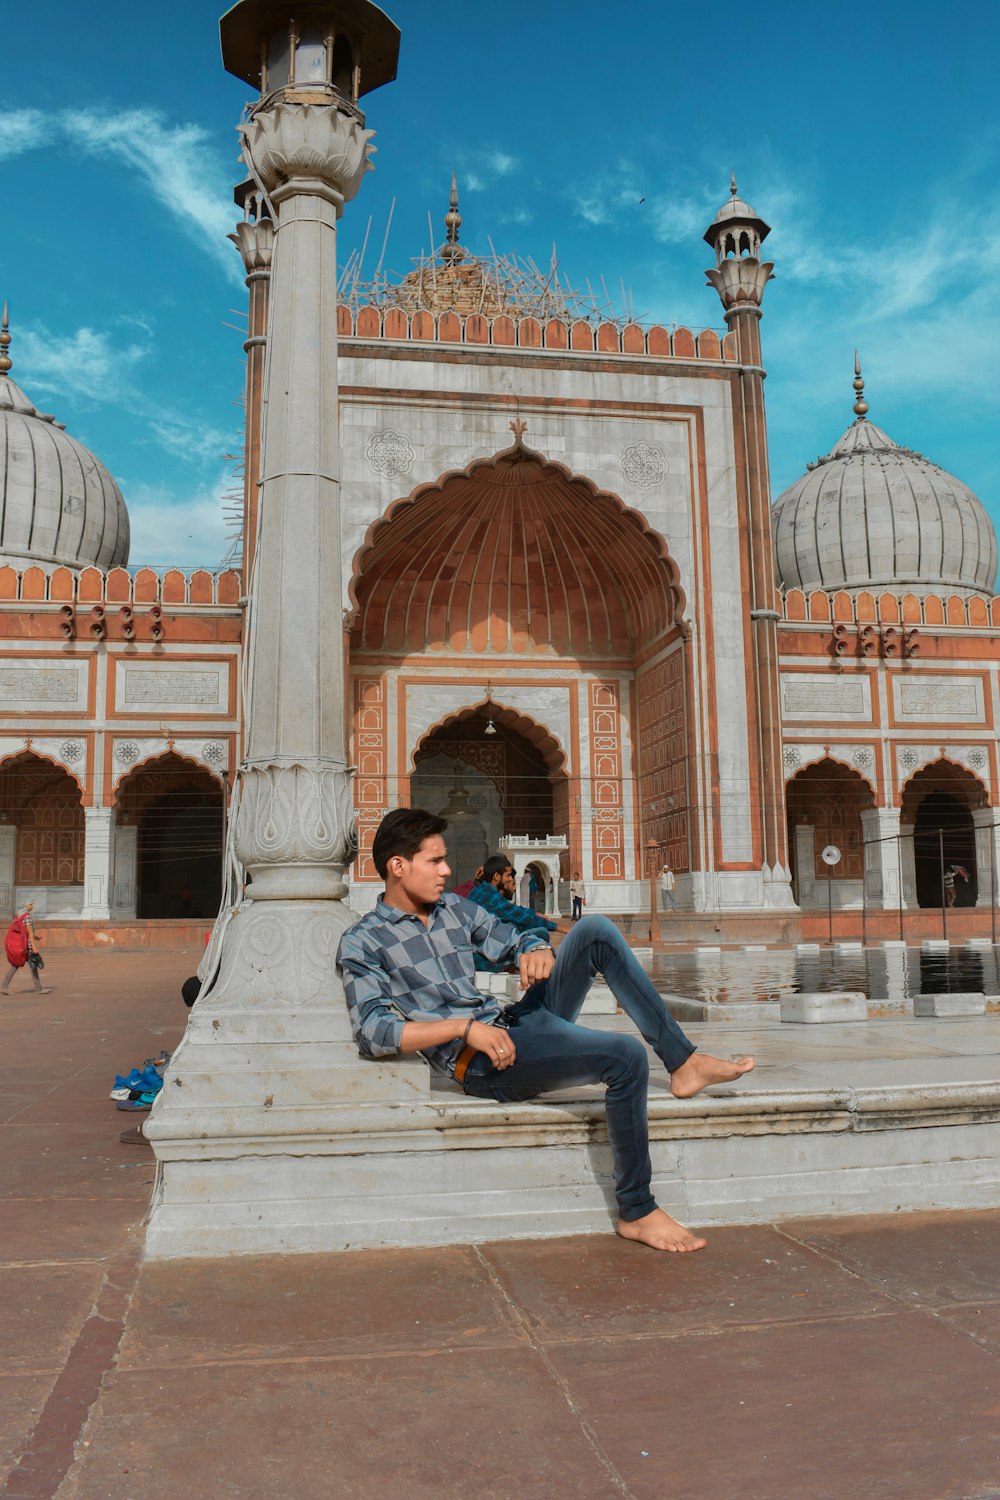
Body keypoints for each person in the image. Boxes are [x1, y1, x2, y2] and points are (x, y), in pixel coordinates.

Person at [338, 808, 755, 1254]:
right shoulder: (364, 941)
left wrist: (534, 950)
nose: (446, 871)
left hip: (516, 1023)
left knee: (594, 931)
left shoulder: (453, 910)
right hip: (481, 1061)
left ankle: (684, 1061)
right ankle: (637, 1209)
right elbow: (375, 1031)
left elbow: (513, 937)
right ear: (398, 867)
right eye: (435, 861)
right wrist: (463, 1029)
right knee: (625, 1057)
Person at [465, 854, 559, 970]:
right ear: (496, 876)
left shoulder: (478, 890)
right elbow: (522, 916)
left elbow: (515, 911)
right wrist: (562, 928)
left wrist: (535, 914)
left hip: (478, 949)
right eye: (508, 876)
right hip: (483, 955)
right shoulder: (492, 898)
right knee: (540, 932)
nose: (510, 879)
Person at [2, 902, 52, 995]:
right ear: (25, 905)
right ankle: (38, 989)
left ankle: (4, 986)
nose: (32, 906)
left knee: (15, 965)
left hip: (21, 946)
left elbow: (23, 931)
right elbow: (29, 932)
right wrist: (34, 947)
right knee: (34, 966)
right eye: (30, 904)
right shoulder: (27, 916)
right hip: (27, 946)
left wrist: (36, 937)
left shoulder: (18, 915)